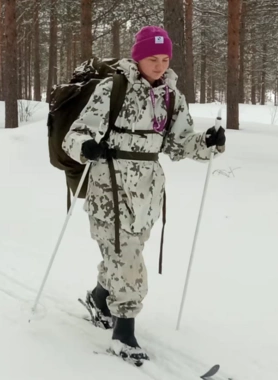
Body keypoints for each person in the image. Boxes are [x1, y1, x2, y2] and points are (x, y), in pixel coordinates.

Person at [63, 26, 226, 364]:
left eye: (165, 59)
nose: (159, 65)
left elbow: (180, 144)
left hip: (148, 192)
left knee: (125, 253)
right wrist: (87, 146)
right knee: (128, 259)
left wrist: (208, 143)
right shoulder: (113, 88)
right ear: (138, 57)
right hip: (109, 186)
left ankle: (99, 297)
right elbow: (74, 135)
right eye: (152, 58)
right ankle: (124, 331)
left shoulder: (171, 96)